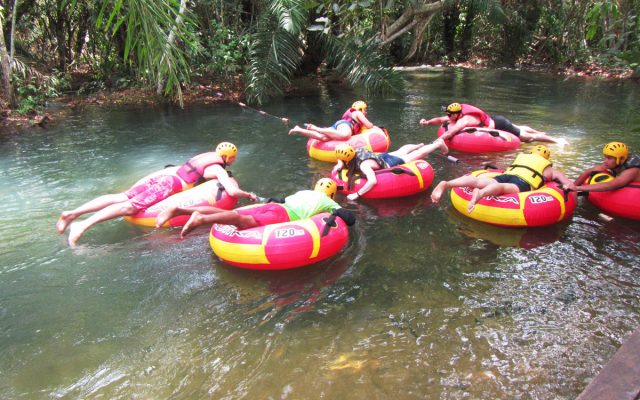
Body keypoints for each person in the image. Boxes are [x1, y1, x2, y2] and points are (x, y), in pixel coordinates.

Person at [56, 142, 257, 246]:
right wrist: (247, 194)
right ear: (228, 158)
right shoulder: (217, 168)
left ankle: (72, 213)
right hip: (168, 185)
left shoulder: (204, 156)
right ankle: (82, 225)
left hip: (163, 179)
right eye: (232, 159)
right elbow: (230, 191)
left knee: (122, 196)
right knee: (129, 207)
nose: (232, 162)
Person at [155, 178, 356, 238]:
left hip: (272, 207)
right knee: (244, 222)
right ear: (330, 193)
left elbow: (279, 199)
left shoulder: (304, 192)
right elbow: (349, 218)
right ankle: (202, 220)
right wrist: (335, 210)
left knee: (233, 214)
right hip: (283, 216)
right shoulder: (328, 202)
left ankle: (179, 211)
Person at [430, 145, 575, 213]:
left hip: (507, 174)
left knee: (478, 181)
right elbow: (567, 184)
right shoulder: (550, 169)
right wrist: (569, 187)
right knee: (502, 189)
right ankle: (480, 194)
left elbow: (505, 168)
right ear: (546, 158)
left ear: (530, 153)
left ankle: (446, 184)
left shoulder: (522, 157)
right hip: (523, 182)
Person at [332, 139, 449, 200]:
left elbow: (373, 181)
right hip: (380, 157)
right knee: (401, 151)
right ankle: (418, 144)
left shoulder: (364, 165)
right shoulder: (353, 150)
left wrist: (357, 194)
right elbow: (342, 158)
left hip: (389, 162)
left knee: (415, 155)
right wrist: (339, 164)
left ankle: (438, 144)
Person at [419, 102, 569, 145]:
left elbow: (451, 132)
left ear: (457, 114)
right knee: (518, 127)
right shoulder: (456, 114)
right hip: (495, 119)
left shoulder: (465, 119)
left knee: (527, 138)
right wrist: (427, 123)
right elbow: (440, 120)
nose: (448, 117)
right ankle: (539, 131)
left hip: (499, 125)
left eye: (450, 115)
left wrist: (436, 142)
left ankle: (556, 140)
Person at [288, 101, 374, 141]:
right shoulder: (358, 112)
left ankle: (299, 129)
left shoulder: (354, 112)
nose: (365, 112)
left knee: (323, 138)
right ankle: (317, 128)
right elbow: (369, 125)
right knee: (345, 135)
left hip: (339, 125)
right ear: (360, 109)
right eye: (365, 110)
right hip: (345, 125)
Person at [574, 142, 640, 192]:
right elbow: (588, 171)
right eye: (605, 157)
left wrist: (578, 188)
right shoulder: (615, 162)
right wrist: (573, 187)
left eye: (609, 158)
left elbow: (611, 185)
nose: (605, 161)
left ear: (621, 159)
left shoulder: (632, 171)